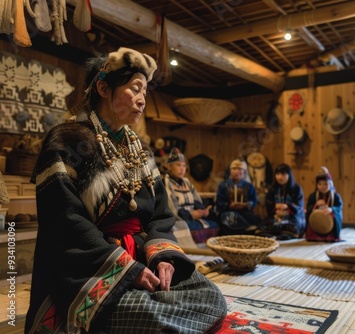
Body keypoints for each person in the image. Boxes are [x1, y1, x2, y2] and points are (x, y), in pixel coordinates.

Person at [25, 47, 226, 334]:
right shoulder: (66, 141)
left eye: (145, 91)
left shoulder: (140, 150)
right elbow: (64, 221)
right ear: (104, 88)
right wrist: (126, 271)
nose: (143, 100)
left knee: (211, 298)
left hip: (143, 256)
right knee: (152, 316)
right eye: (135, 89)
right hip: (91, 269)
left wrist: (163, 258)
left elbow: (161, 214)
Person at [164, 148, 219, 245]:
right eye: (178, 165)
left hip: (193, 216)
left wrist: (202, 211)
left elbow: (196, 199)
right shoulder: (166, 182)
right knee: (183, 227)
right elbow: (172, 207)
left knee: (214, 223)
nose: (182, 169)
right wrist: (190, 215)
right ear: (169, 166)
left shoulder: (187, 182)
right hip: (178, 218)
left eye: (184, 166)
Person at [257, 163, 305, 240]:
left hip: (291, 219)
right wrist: (275, 206)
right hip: (276, 217)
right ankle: (279, 236)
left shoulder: (296, 188)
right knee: (260, 227)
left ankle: (276, 236)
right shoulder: (273, 189)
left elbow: (299, 206)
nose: (280, 177)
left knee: (294, 229)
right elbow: (268, 203)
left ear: (289, 175)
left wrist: (287, 206)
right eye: (278, 174)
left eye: (283, 174)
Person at [215, 158, 260, 234]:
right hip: (228, 213)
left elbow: (254, 201)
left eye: (239, 169)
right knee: (228, 218)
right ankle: (245, 227)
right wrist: (229, 206)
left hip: (245, 213)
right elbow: (219, 202)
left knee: (256, 219)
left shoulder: (249, 186)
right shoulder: (223, 185)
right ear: (230, 171)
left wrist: (246, 205)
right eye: (234, 169)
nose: (236, 171)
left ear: (244, 171)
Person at [305, 167, 343, 242]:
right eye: (320, 184)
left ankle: (332, 236)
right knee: (310, 214)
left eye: (326, 184)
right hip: (316, 222)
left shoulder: (335, 196)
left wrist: (331, 209)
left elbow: (339, 207)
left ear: (330, 184)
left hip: (330, 220)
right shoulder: (313, 196)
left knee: (335, 215)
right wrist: (315, 205)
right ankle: (313, 235)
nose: (322, 186)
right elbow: (308, 208)